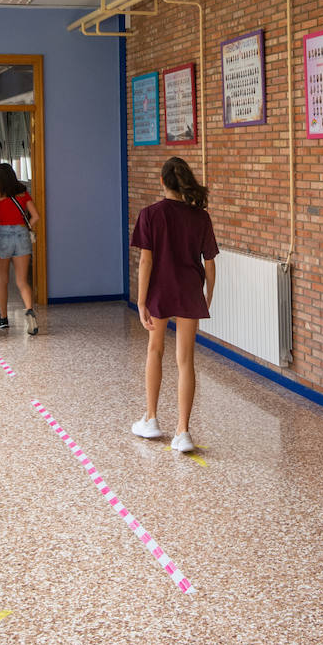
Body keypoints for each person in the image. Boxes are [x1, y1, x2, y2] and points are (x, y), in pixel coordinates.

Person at [129, 156, 218, 454]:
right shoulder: (200, 216)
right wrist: (208, 294)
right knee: (185, 360)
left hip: (160, 291)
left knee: (155, 350)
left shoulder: (150, 214)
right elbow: (210, 262)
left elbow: (146, 260)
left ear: (163, 182)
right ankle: (183, 432)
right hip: (189, 289)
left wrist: (141, 301)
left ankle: (151, 419)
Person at [0, 162, 41, 335]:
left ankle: (3, 318)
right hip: (22, 237)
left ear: (0, 179)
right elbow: (36, 216)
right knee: (22, 281)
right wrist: (24, 228)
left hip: (3, 239)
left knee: (3, 280)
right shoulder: (23, 194)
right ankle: (29, 311)